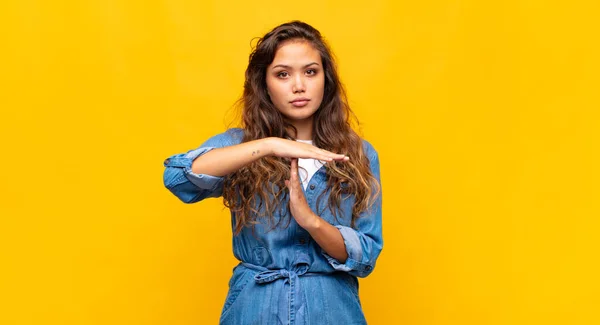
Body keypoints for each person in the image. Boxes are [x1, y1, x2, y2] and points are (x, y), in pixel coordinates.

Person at [163, 20, 383, 325]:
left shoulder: (358, 153)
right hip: (255, 307)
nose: (298, 86)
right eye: (282, 74)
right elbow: (177, 177)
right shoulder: (240, 146)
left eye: (310, 72)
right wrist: (269, 144)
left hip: (331, 309)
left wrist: (311, 222)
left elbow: (366, 255)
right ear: (264, 83)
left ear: (326, 79)